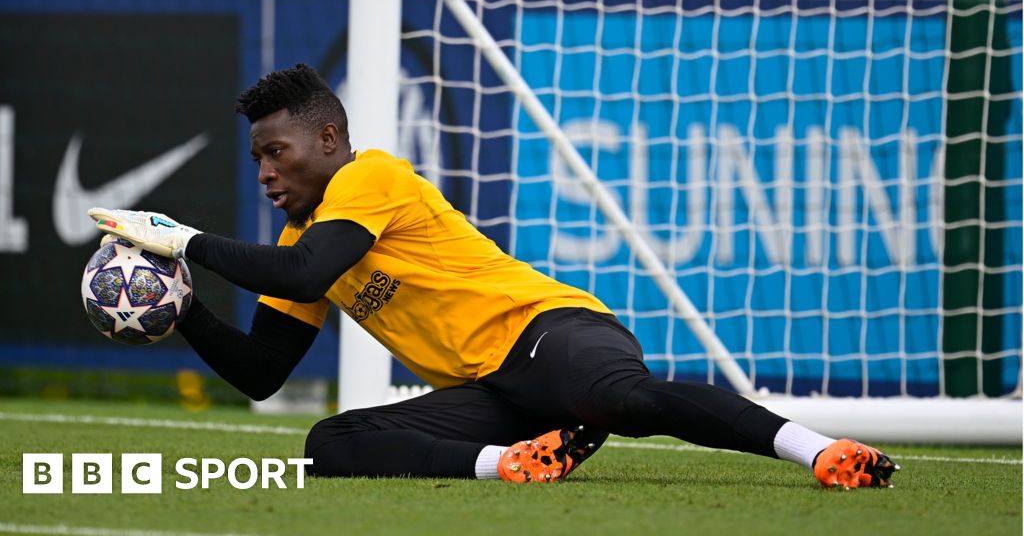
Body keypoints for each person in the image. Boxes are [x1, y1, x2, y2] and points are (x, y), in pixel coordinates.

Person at [88, 63, 899, 487]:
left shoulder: (367, 178)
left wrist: (180, 238)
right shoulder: (303, 237)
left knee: (625, 399)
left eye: (278, 152)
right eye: (257, 158)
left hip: (550, 332)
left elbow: (307, 272)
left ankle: (821, 452)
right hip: (499, 394)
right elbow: (264, 373)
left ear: (329, 139)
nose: (266, 172)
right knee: (327, 443)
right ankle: (511, 464)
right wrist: (182, 307)